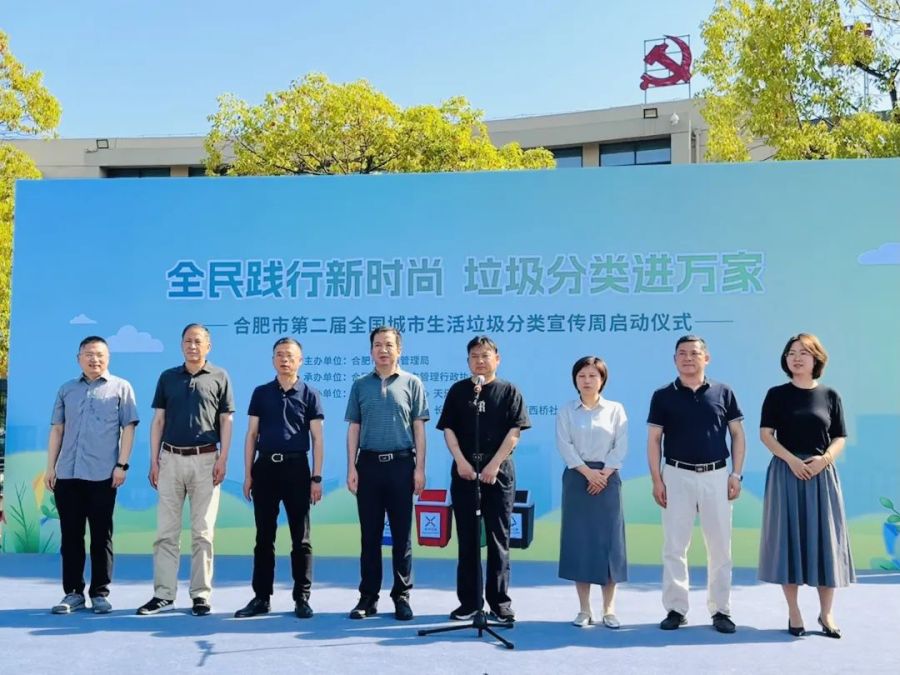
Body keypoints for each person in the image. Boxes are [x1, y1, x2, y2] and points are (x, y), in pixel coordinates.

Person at [647, 335, 745, 634]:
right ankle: (676, 609)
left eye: (694, 353)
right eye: (682, 353)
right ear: (674, 359)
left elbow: (737, 435)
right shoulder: (663, 395)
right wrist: (657, 479)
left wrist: (736, 474)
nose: (688, 358)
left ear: (706, 358)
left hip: (717, 474)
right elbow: (654, 440)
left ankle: (721, 610)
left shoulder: (723, 392)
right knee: (674, 546)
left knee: (720, 547)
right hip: (676, 475)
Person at [758, 333, 854, 638]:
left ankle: (827, 614)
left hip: (821, 475)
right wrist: (791, 461)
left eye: (803, 352)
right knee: (789, 541)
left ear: (817, 359)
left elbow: (839, 437)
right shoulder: (776, 395)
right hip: (787, 474)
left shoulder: (830, 395)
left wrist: (824, 460)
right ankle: (794, 612)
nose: (796, 358)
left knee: (826, 542)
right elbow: (766, 435)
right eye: (791, 352)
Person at [137, 324, 234, 616]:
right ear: (181, 345)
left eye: (198, 341)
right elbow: (158, 421)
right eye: (188, 341)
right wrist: (154, 460)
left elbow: (226, 421)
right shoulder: (168, 377)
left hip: (206, 460)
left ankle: (201, 594)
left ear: (208, 346)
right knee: (166, 532)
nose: (192, 346)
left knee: (203, 532)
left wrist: (223, 459)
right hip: (170, 459)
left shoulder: (219, 376)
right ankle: (163, 594)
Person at [437, 335, 531, 624]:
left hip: (498, 473)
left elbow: (514, 431)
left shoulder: (509, 391)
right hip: (465, 471)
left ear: (497, 359)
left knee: (498, 538)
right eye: (474, 356)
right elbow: (448, 429)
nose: (480, 361)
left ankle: (499, 603)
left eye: (485, 355)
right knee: (467, 539)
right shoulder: (459, 391)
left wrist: (494, 465)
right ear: (468, 361)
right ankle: (469, 603)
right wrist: (461, 462)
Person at [45, 336, 139, 614]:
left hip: (102, 475)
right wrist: (50, 467)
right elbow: (57, 430)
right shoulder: (67, 389)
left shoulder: (121, 387)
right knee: (70, 537)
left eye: (99, 354)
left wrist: (122, 465)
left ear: (108, 358)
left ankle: (100, 593)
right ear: (79, 359)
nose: (94, 359)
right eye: (88, 354)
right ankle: (73, 593)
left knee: (101, 536)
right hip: (67, 474)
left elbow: (129, 428)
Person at [234, 338, 324, 619]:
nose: (285, 359)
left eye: (290, 355)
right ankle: (261, 598)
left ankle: (302, 598)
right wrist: (248, 474)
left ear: (300, 360)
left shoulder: (310, 394)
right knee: (264, 537)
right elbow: (251, 435)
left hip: (297, 469)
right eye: (279, 355)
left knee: (301, 538)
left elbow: (317, 438)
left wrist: (316, 478)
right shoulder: (261, 393)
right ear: (273, 359)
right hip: (265, 469)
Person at [345, 326, 428, 621]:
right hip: (368, 466)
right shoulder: (360, 385)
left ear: (399, 350)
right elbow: (354, 428)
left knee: (402, 535)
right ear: (371, 350)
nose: (383, 350)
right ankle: (368, 597)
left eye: (389, 345)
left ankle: (402, 596)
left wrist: (420, 468)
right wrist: (351, 466)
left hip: (401, 465)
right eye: (378, 345)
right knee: (370, 536)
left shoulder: (412, 382)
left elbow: (419, 429)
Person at [556, 356, 627, 629]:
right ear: (575, 380)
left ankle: (609, 609)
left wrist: (603, 475)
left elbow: (620, 446)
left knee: (609, 544)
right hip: (578, 479)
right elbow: (565, 445)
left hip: (608, 480)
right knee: (580, 543)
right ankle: (584, 609)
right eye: (582, 376)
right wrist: (588, 473)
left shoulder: (615, 409)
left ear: (602, 379)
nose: (587, 381)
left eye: (593, 376)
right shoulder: (567, 410)